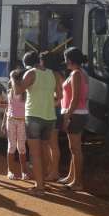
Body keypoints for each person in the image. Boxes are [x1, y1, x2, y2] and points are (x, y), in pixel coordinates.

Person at [14, 51, 61, 196]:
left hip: (34, 116)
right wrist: (47, 103)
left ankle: (39, 187)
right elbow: (59, 96)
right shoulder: (54, 75)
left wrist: (13, 77)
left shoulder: (31, 73)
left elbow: (18, 90)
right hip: (50, 118)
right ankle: (43, 182)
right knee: (44, 150)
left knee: (35, 154)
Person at [59, 47, 89, 191]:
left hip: (75, 114)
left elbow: (75, 98)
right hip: (78, 113)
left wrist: (67, 116)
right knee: (74, 148)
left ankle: (77, 182)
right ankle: (71, 177)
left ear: (69, 60)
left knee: (75, 149)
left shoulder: (76, 74)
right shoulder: (79, 73)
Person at [41, 52, 64, 182]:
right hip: (55, 110)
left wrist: (50, 105)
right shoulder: (58, 74)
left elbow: (60, 96)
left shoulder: (53, 75)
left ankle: (54, 172)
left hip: (54, 111)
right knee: (51, 143)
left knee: (52, 144)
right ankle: (52, 170)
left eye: (41, 60)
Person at [3, 69, 28, 180]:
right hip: (11, 120)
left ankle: (24, 172)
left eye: (12, 78)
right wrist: (4, 122)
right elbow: (7, 108)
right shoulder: (10, 92)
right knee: (11, 146)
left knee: (21, 147)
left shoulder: (25, 92)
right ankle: (10, 171)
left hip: (22, 121)